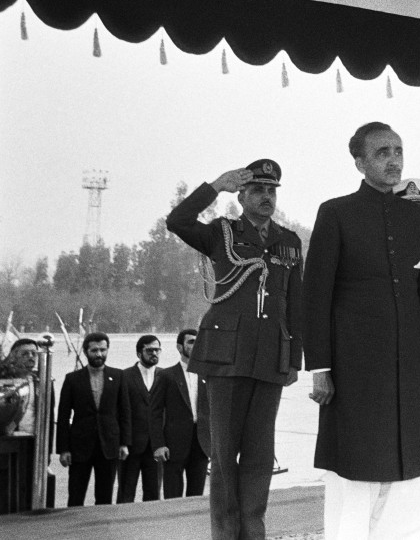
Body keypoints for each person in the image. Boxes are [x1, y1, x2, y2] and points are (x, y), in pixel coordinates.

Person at [303, 122, 420, 540]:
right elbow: (315, 294)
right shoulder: (336, 212)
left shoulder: (416, 216)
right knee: (355, 474)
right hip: (356, 369)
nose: (394, 159)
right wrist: (320, 367)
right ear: (359, 162)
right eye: (382, 152)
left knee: (410, 473)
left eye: (398, 150)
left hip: (411, 366)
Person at [166, 159, 303, 540]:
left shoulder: (288, 241)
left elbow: (296, 304)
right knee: (223, 457)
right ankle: (225, 534)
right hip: (225, 357)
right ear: (241, 196)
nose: (266, 197)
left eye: (271, 191)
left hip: (270, 357)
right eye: (257, 190)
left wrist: (294, 359)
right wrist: (214, 186)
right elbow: (176, 221)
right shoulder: (221, 233)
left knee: (260, 457)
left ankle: (252, 530)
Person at [56, 331, 131, 506]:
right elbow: (63, 415)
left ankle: (102, 530)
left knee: (105, 497)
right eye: (94, 350)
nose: (99, 354)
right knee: (75, 495)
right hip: (80, 446)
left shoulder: (118, 376)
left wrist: (124, 443)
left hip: (109, 445)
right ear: (85, 351)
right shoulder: (72, 379)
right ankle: (73, 531)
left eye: (103, 350)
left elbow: (125, 412)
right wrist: (63, 449)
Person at [151, 329, 210, 498]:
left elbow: (213, 412)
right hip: (173, 445)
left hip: (201, 444)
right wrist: (158, 445)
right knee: (173, 496)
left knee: (196, 496)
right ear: (179, 347)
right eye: (191, 342)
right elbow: (154, 413)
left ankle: (192, 524)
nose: (196, 345)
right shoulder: (166, 375)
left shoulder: (207, 375)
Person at [117, 334, 162, 502]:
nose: (154, 353)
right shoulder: (124, 376)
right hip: (131, 445)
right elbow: (120, 412)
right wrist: (122, 443)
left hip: (156, 447)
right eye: (149, 350)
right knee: (126, 493)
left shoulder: (165, 376)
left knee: (153, 494)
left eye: (157, 350)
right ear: (139, 353)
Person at [6, 338, 40, 435]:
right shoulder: (5, 380)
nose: (30, 357)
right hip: (8, 439)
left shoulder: (42, 381)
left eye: (34, 353)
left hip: (34, 440)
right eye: (25, 354)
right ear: (13, 356)